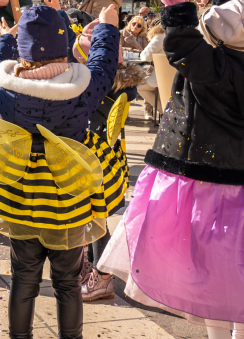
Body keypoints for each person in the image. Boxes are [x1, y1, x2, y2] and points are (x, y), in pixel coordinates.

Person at [98, 0, 244, 339]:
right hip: (238, 178)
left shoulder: (211, 67)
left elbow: (180, 40)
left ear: (213, 39)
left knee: (208, 264)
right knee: (236, 257)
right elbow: (239, 20)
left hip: (201, 177)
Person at [0, 2, 119, 339]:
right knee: (67, 284)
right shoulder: (82, 90)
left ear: (23, 48)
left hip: (22, 202)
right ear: (63, 46)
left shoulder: (4, 90)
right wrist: (106, 28)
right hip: (68, 204)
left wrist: (4, 38)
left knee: (23, 279)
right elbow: (103, 66)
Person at [71, 19, 147, 302]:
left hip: (98, 160)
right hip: (106, 159)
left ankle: (102, 277)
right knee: (94, 218)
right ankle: (93, 271)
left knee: (95, 218)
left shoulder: (98, 85)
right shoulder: (113, 81)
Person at [134, 24, 167, 120]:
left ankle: (163, 111)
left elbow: (145, 56)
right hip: (179, 75)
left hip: (163, 75)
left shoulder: (160, 36)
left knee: (140, 88)